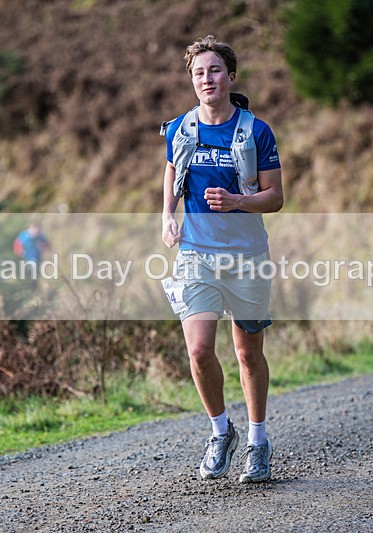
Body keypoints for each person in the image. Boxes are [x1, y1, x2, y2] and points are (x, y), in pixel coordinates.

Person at [161, 35, 283, 483]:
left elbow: (275, 198)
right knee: (197, 350)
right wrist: (166, 219)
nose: (206, 79)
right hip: (195, 254)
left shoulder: (256, 131)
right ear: (191, 81)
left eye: (214, 70)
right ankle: (219, 431)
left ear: (230, 77)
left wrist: (236, 201)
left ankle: (258, 440)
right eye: (198, 73)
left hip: (247, 255)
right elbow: (171, 177)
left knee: (248, 355)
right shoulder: (179, 129)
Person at [13, 222, 50, 287]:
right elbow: (17, 247)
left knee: (38, 274)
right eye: (34, 230)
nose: (35, 232)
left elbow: (47, 246)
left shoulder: (41, 236)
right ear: (31, 228)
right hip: (27, 259)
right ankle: (30, 286)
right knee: (31, 273)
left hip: (38, 258)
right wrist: (20, 251)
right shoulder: (23, 236)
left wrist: (43, 246)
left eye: (37, 231)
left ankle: (37, 287)